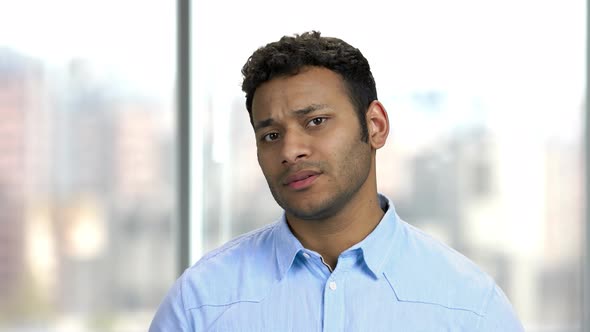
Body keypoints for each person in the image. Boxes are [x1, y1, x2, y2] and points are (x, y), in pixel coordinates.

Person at [149, 31, 524, 331]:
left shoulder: (469, 306)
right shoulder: (200, 302)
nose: (290, 150)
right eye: (271, 135)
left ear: (375, 126)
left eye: (316, 122)